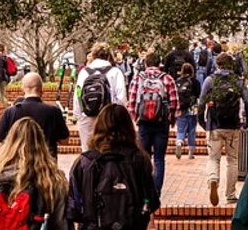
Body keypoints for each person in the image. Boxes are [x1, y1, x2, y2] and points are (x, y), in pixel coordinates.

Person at [197, 53, 248, 206]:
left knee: (213, 158)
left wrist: (202, 121)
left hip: (215, 125)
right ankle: (230, 194)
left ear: (217, 64)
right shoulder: (238, 81)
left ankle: (213, 179)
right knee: (232, 160)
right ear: (231, 65)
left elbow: (202, 102)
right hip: (233, 125)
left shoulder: (210, 80)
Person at [128, 52, 179, 195]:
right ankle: (156, 191)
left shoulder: (138, 78)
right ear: (159, 64)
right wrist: (172, 120)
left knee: (144, 157)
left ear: (145, 64)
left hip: (144, 123)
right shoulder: (167, 79)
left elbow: (131, 102)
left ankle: (144, 190)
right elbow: (174, 103)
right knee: (159, 159)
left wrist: (136, 118)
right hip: (162, 123)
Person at [0, 72, 69, 158]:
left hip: (18, 167)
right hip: (46, 167)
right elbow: (64, 140)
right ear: (41, 89)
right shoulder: (54, 112)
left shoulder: (10, 113)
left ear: (23, 88)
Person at [72, 43, 129, 152]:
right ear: (109, 56)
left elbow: (78, 96)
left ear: (93, 56)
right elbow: (121, 99)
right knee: (110, 152)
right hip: (109, 119)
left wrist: (79, 116)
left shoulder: (84, 72)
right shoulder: (115, 72)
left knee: (88, 153)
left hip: (87, 118)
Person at [174, 63, 201, 160]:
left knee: (181, 127)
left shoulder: (178, 81)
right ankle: (191, 151)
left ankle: (179, 141)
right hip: (192, 107)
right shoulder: (196, 82)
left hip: (181, 107)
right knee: (192, 129)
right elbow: (198, 95)